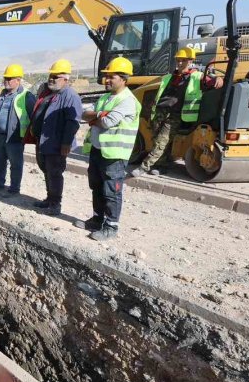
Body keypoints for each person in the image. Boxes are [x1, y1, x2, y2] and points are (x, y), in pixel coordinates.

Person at [132, 47, 223, 176]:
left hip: (176, 115)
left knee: (161, 141)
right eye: (178, 60)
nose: (180, 63)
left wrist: (218, 79)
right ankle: (161, 165)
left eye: (183, 60)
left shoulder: (197, 76)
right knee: (157, 140)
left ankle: (144, 167)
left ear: (191, 60)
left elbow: (215, 82)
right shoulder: (168, 77)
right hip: (160, 112)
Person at [78, 57, 142, 241]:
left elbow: (108, 122)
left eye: (111, 77)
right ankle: (97, 219)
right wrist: (98, 114)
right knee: (96, 186)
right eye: (106, 76)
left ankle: (111, 226)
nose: (106, 80)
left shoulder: (128, 100)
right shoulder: (106, 97)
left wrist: (97, 118)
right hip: (98, 150)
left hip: (114, 154)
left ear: (123, 78)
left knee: (111, 190)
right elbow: (84, 114)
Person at [29, 59, 82, 216]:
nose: (51, 79)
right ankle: (49, 199)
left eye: (56, 76)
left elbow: (73, 122)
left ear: (65, 79)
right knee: (46, 170)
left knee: (55, 173)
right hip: (44, 141)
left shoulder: (70, 96)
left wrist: (66, 143)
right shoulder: (50, 94)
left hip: (57, 143)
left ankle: (55, 204)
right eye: (51, 76)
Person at [0, 64, 35, 196]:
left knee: (15, 164)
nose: (7, 81)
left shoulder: (26, 96)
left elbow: (34, 115)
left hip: (15, 137)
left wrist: (30, 134)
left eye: (10, 78)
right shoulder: (3, 94)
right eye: (6, 78)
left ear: (18, 80)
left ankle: (14, 189)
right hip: (0, 135)